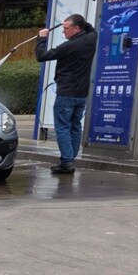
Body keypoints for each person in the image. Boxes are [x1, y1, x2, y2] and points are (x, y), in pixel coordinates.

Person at [35, 14, 98, 174]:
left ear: (77, 28)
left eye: (66, 28)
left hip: (66, 93)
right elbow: (90, 28)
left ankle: (66, 162)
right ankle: (71, 158)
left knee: (62, 127)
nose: (64, 32)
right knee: (75, 125)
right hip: (81, 94)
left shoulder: (68, 46)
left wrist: (41, 39)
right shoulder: (91, 39)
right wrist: (76, 21)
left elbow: (41, 56)